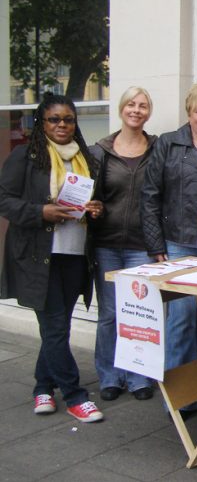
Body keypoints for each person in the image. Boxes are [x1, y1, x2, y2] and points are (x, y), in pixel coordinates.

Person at [0, 94, 105, 423]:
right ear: (41, 123)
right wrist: (40, 212)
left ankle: (42, 386)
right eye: (54, 120)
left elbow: (91, 199)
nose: (62, 125)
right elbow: (4, 200)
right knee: (56, 327)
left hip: (75, 255)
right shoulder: (26, 157)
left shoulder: (85, 158)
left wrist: (97, 208)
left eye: (68, 119)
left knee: (57, 328)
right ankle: (74, 395)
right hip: (37, 258)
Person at [141, 82, 197, 414]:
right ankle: (178, 396)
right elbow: (149, 196)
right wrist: (155, 244)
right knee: (181, 319)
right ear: (189, 113)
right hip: (181, 246)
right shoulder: (169, 144)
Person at [91, 87, 157, 402]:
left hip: (141, 245)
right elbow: (90, 195)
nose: (136, 109)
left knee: (140, 313)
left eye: (143, 105)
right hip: (106, 244)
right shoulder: (101, 150)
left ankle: (139, 375)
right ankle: (110, 375)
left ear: (148, 112)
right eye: (131, 104)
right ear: (121, 108)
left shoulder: (157, 149)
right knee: (110, 314)